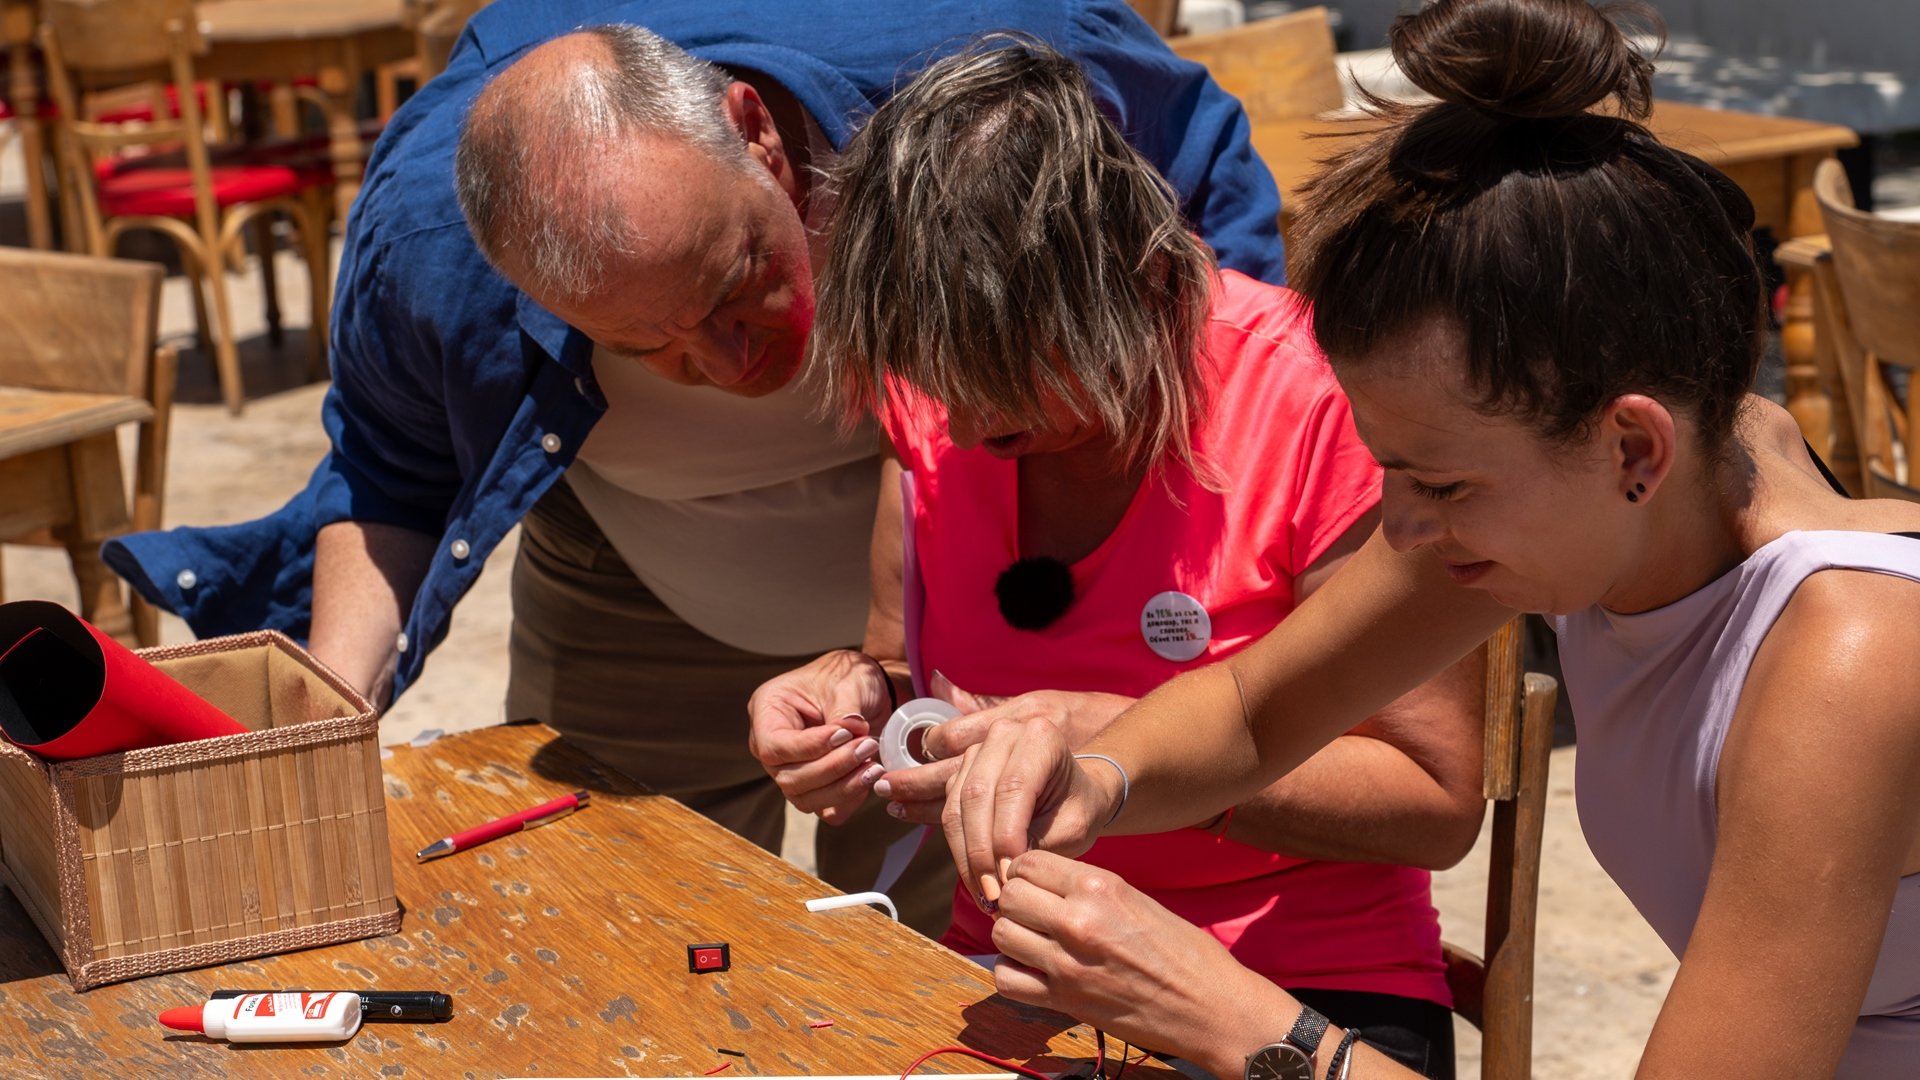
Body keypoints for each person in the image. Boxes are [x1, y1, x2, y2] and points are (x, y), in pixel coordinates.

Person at [99, 0, 1288, 937]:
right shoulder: (431, 246)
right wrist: (337, 706)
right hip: (633, 577)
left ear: (759, 135)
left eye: (738, 287)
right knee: (616, 912)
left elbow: (1211, 255)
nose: (729, 368)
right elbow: (389, 478)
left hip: (981, 560)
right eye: (644, 349)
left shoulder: (992, 60)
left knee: (948, 945)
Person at [935, 2, 1920, 1076]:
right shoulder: (1679, 469)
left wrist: (1235, 1017)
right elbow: (1256, 709)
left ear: (1636, 444)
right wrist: (1098, 776)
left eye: (1442, 482)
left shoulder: (1852, 657)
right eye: (1390, 467)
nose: (1400, 526)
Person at [746, 38, 1486, 1077]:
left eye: (996, 378)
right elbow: (905, 670)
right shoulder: (940, 400)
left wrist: (1129, 760)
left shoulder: (1316, 401)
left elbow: (1434, 800)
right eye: (931, 376)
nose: (954, 428)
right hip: (1026, 955)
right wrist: (856, 709)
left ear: (1139, 282)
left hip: (1296, 980)